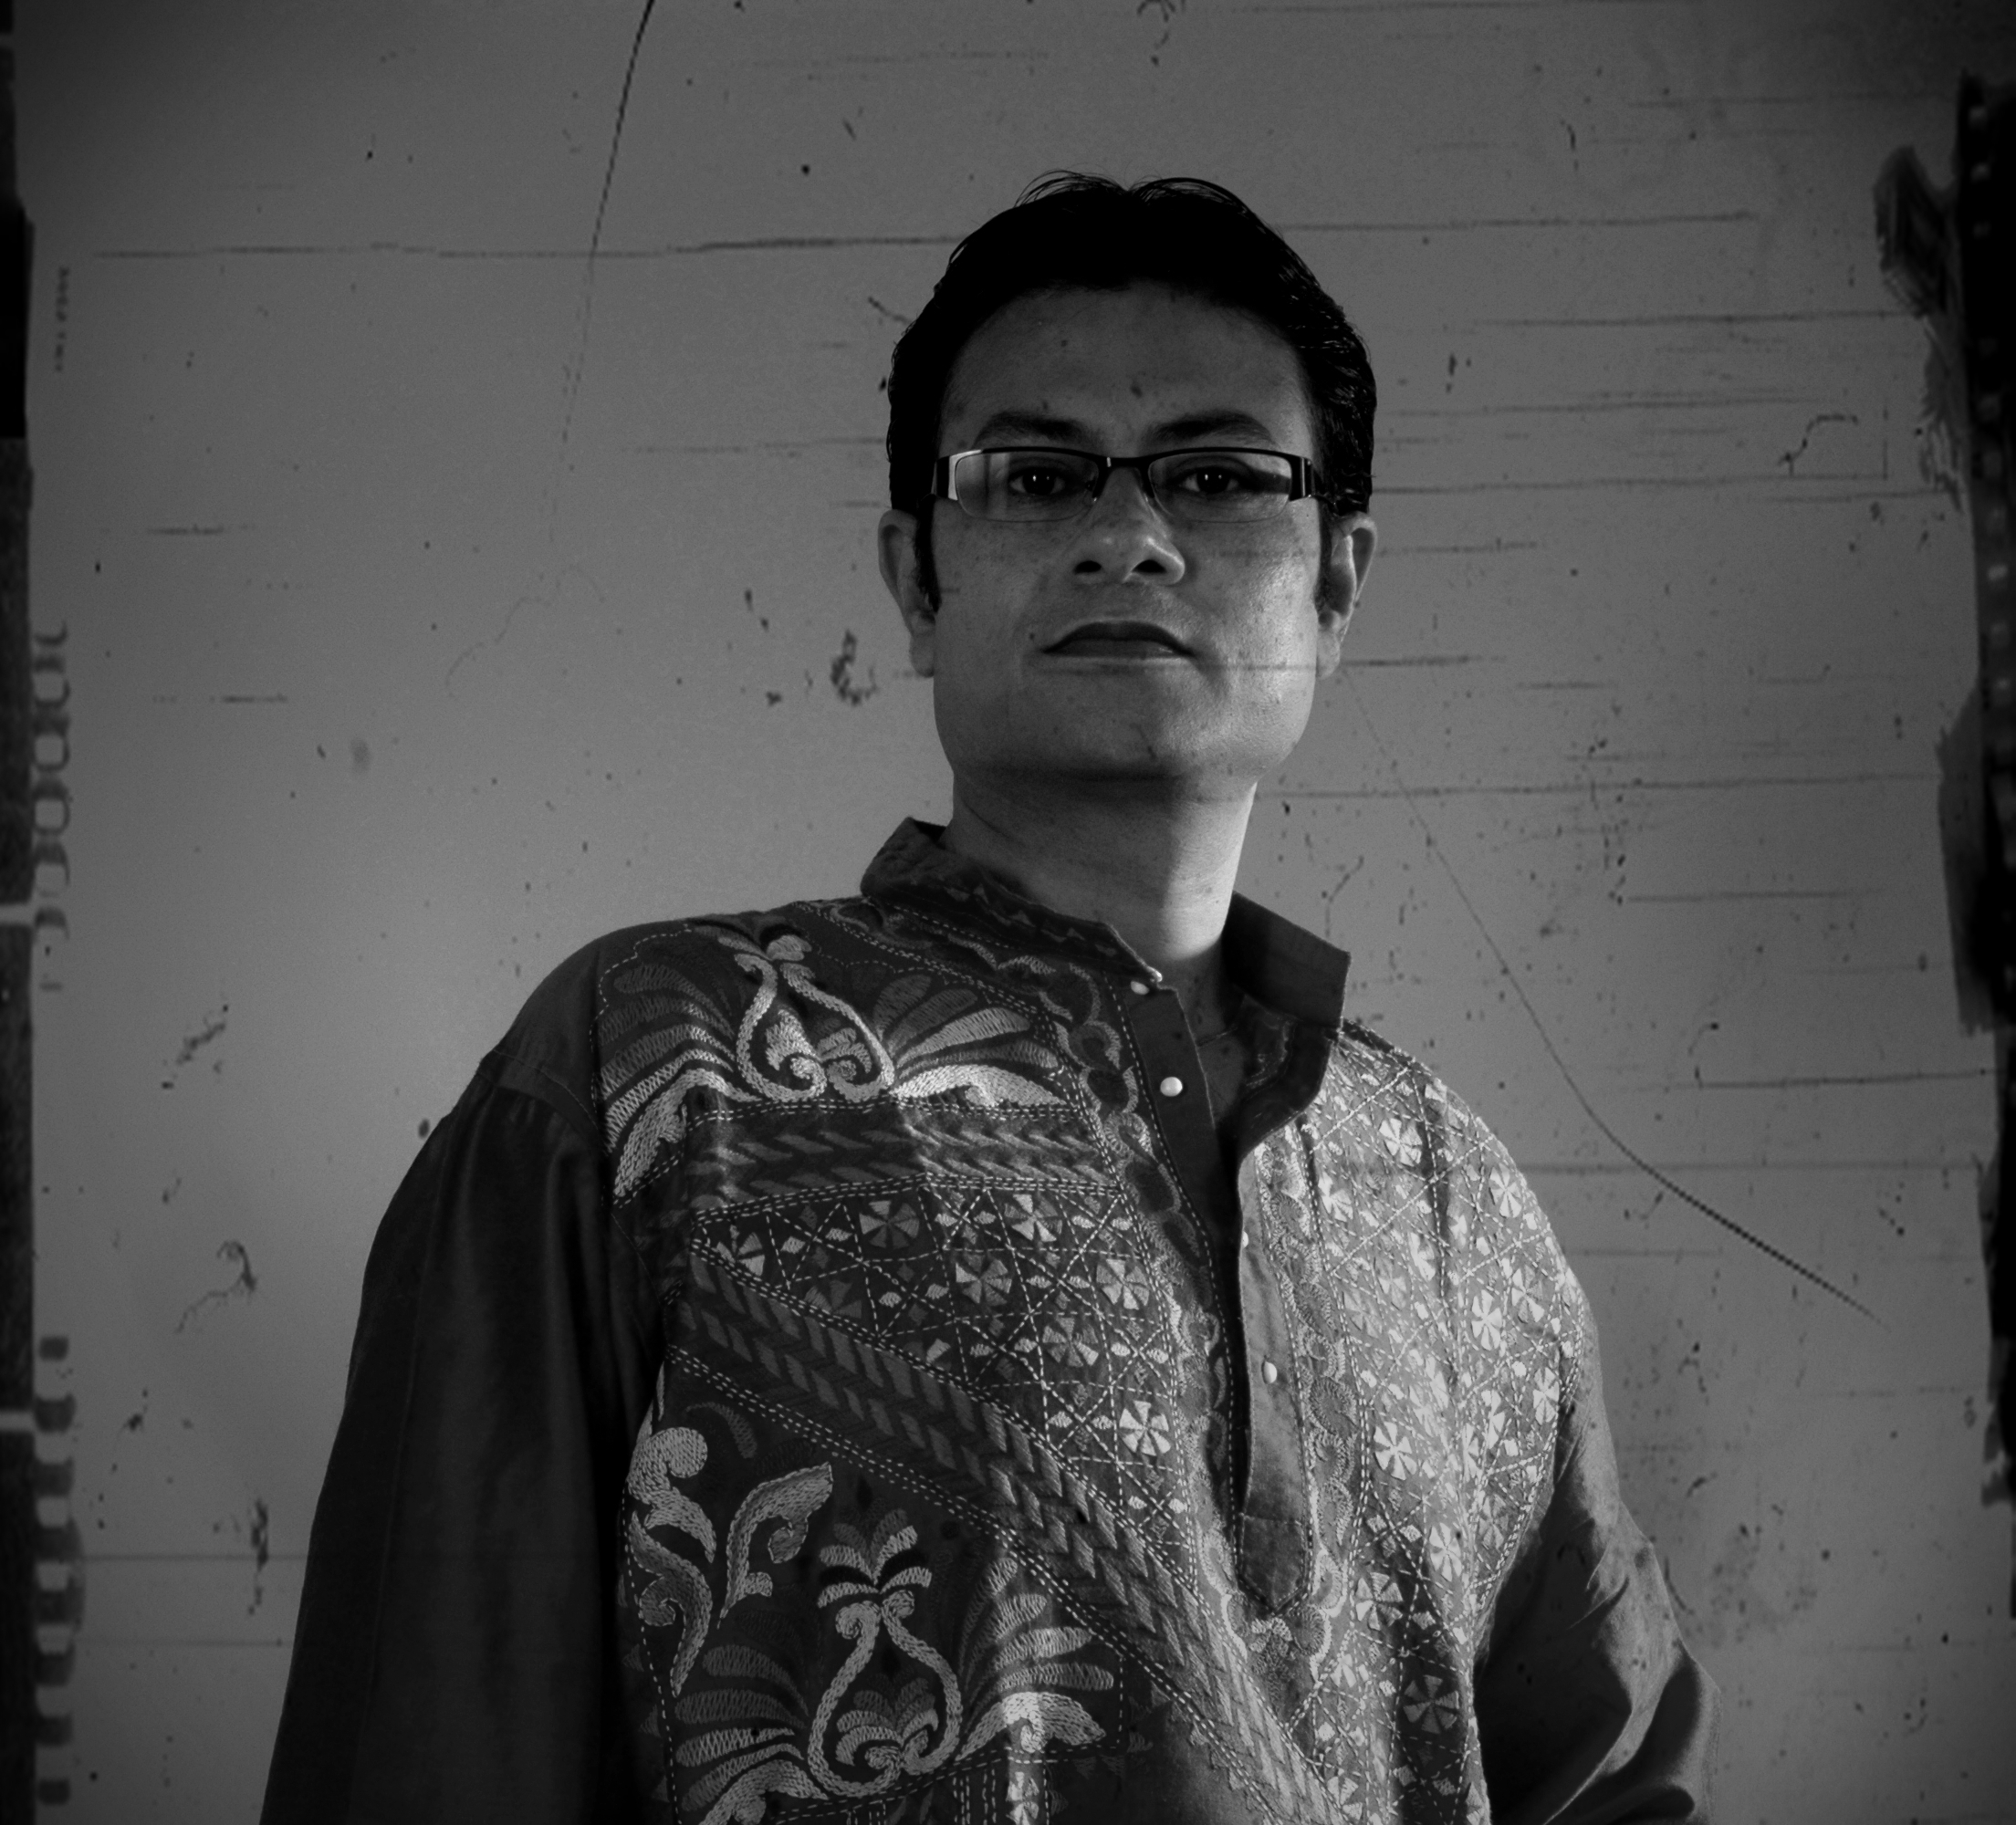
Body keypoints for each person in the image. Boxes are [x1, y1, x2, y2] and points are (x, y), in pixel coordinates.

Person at [261, 174, 1717, 1825]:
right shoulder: (648, 1071)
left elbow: (1611, 1779)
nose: (1128, 535)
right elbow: (427, 1739)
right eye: (1034, 477)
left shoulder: (1451, 1200)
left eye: (1218, 477)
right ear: (916, 578)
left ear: (1334, 584)